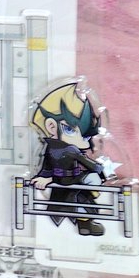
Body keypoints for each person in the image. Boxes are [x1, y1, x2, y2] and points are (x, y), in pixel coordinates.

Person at [29, 81, 111, 236]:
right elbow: (88, 164)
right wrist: (99, 169)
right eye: (71, 130)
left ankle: (84, 224)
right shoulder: (68, 149)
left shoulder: (55, 149)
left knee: (84, 195)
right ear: (51, 126)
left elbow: (47, 168)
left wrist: (46, 178)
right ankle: (84, 223)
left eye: (85, 136)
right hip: (67, 182)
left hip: (70, 180)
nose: (83, 140)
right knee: (89, 186)